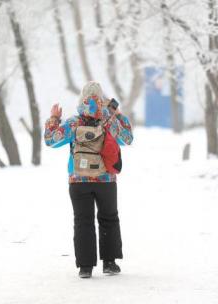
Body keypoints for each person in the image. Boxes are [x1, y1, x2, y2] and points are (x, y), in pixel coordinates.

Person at [44, 81, 133, 278]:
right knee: (109, 218)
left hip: (78, 180)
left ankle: (85, 267)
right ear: (102, 100)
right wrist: (117, 114)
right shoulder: (109, 121)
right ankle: (109, 263)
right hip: (106, 181)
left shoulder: (73, 122)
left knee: (82, 221)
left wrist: (54, 118)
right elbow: (128, 138)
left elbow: (51, 140)